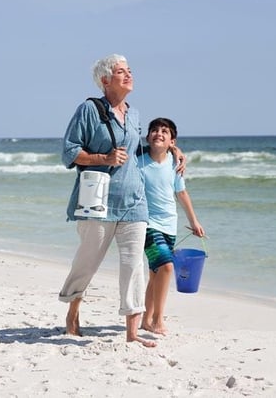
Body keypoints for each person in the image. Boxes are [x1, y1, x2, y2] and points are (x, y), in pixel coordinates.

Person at [58, 54, 158, 347]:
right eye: (120, 72)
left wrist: (171, 152)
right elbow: (68, 152)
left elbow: (134, 152)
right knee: (87, 263)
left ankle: (132, 331)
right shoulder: (88, 110)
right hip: (97, 201)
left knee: (133, 265)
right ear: (105, 80)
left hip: (134, 201)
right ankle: (73, 310)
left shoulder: (135, 114)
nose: (128, 75)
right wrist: (103, 158)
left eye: (129, 70)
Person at [139, 117, 205, 336]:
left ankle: (145, 320)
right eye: (155, 130)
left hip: (170, 224)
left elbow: (181, 193)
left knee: (156, 273)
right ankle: (158, 319)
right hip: (146, 224)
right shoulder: (138, 161)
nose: (159, 133)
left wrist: (193, 221)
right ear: (148, 137)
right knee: (167, 267)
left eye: (164, 131)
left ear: (172, 141)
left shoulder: (175, 164)